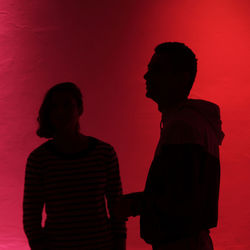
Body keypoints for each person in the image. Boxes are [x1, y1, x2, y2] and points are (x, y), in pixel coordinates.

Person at [114, 42, 224, 249]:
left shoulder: (182, 126)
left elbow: (178, 198)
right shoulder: (198, 123)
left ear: (181, 77)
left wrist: (134, 204)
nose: (146, 77)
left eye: (156, 70)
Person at [23, 82, 127, 250]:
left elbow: (117, 208)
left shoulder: (104, 153)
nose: (60, 111)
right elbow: (31, 216)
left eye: (67, 105)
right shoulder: (39, 160)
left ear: (79, 109)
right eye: (54, 106)